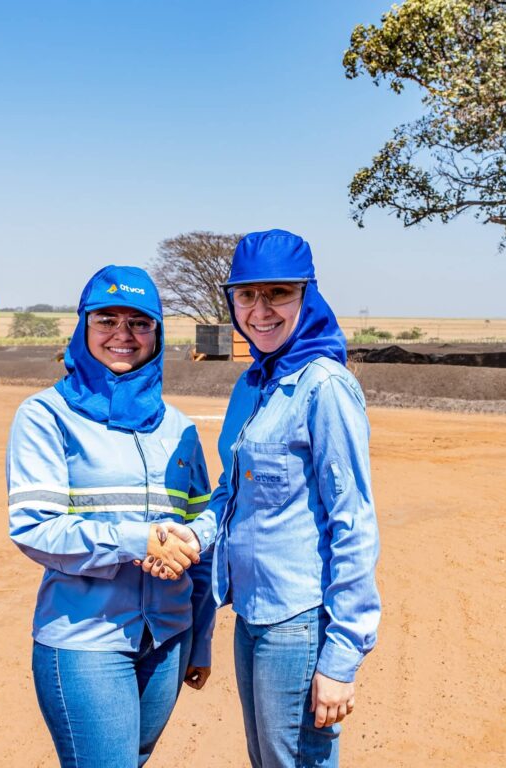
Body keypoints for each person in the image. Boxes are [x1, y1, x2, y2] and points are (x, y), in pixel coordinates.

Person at [151, 229, 381, 767]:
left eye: (277, 293)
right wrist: (194, 533)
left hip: (298, 621)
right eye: (247, 295)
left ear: (307, 295)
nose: (261, 309)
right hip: (251, 614)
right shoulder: (252, 384)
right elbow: (230, 494)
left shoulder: (325, 386)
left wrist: (342, 656)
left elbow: (354, 521)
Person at [6, 265, 215, 768]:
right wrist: (138, 540)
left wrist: (201, 637)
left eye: (139, 323)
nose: (123, 335)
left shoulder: (178, 428)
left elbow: (205, 532)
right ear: (83, 327)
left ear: (157, 334)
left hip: (166, 639)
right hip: (86, 641)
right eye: (107, 320)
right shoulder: (46, 416)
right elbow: (34, 526)